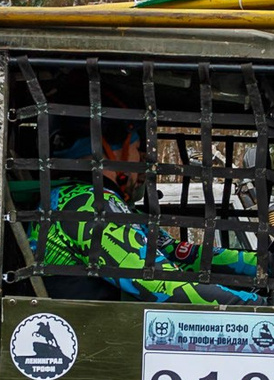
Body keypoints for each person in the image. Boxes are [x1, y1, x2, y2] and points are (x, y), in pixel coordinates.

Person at [29, 126, 259, 303]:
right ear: (110, 150)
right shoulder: (86, 203)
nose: (142, 160)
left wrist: (270, 265)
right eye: (138, 149)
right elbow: (162, 285)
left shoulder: (93, 201)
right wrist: (261, 307)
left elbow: (179, 255)